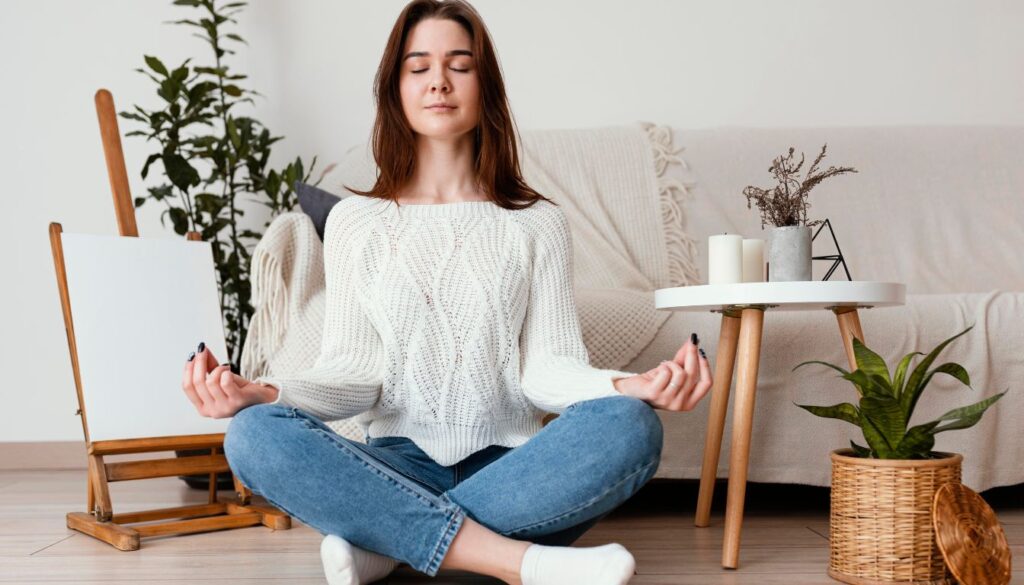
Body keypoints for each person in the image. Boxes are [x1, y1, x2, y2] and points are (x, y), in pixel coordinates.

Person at [181, 1, 712, 583]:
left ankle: (384, 544)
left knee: (632, 426)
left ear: (485, 86)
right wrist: (264, 391)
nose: (439, 80)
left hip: (515, 469)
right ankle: (519, 562)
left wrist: (626, 385)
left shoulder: (537, 222)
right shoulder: (357, 222)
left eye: (460, 65)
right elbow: (354, 374)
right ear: (395, 87)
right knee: (254, 434)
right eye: (419, 67)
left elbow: (548, 370)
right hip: (394, 463)